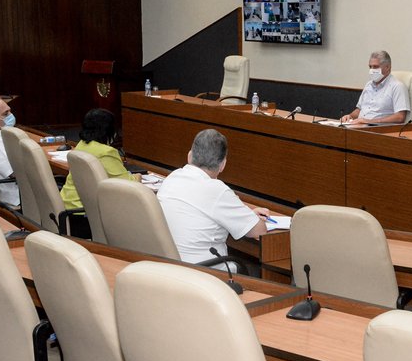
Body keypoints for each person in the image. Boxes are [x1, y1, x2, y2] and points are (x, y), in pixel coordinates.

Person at [157, 129, 268, 268]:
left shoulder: (172, 178)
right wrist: (247, 217)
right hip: (205, 274)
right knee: (249, 269)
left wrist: (245, 215)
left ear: (189, 156)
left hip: (167, 267)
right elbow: (259, 231)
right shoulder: (217, 190)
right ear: (223, 165)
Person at [60, 108, 139, 236]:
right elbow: (129, 185)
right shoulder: (106, 152)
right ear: (109, 130)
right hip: (85, 217)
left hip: (68, 210)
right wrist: (138, 177)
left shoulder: (81, 145)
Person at [341, 50, 410, 125]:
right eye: (370, 67)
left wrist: (369, 121)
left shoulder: (397, 86)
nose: (372, 70)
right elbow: (359, 110)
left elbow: (400, 117)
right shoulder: (368, 85)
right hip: (359, 127)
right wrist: (350, 116)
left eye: (375, 67)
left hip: (379, 130)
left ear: (387, 67)